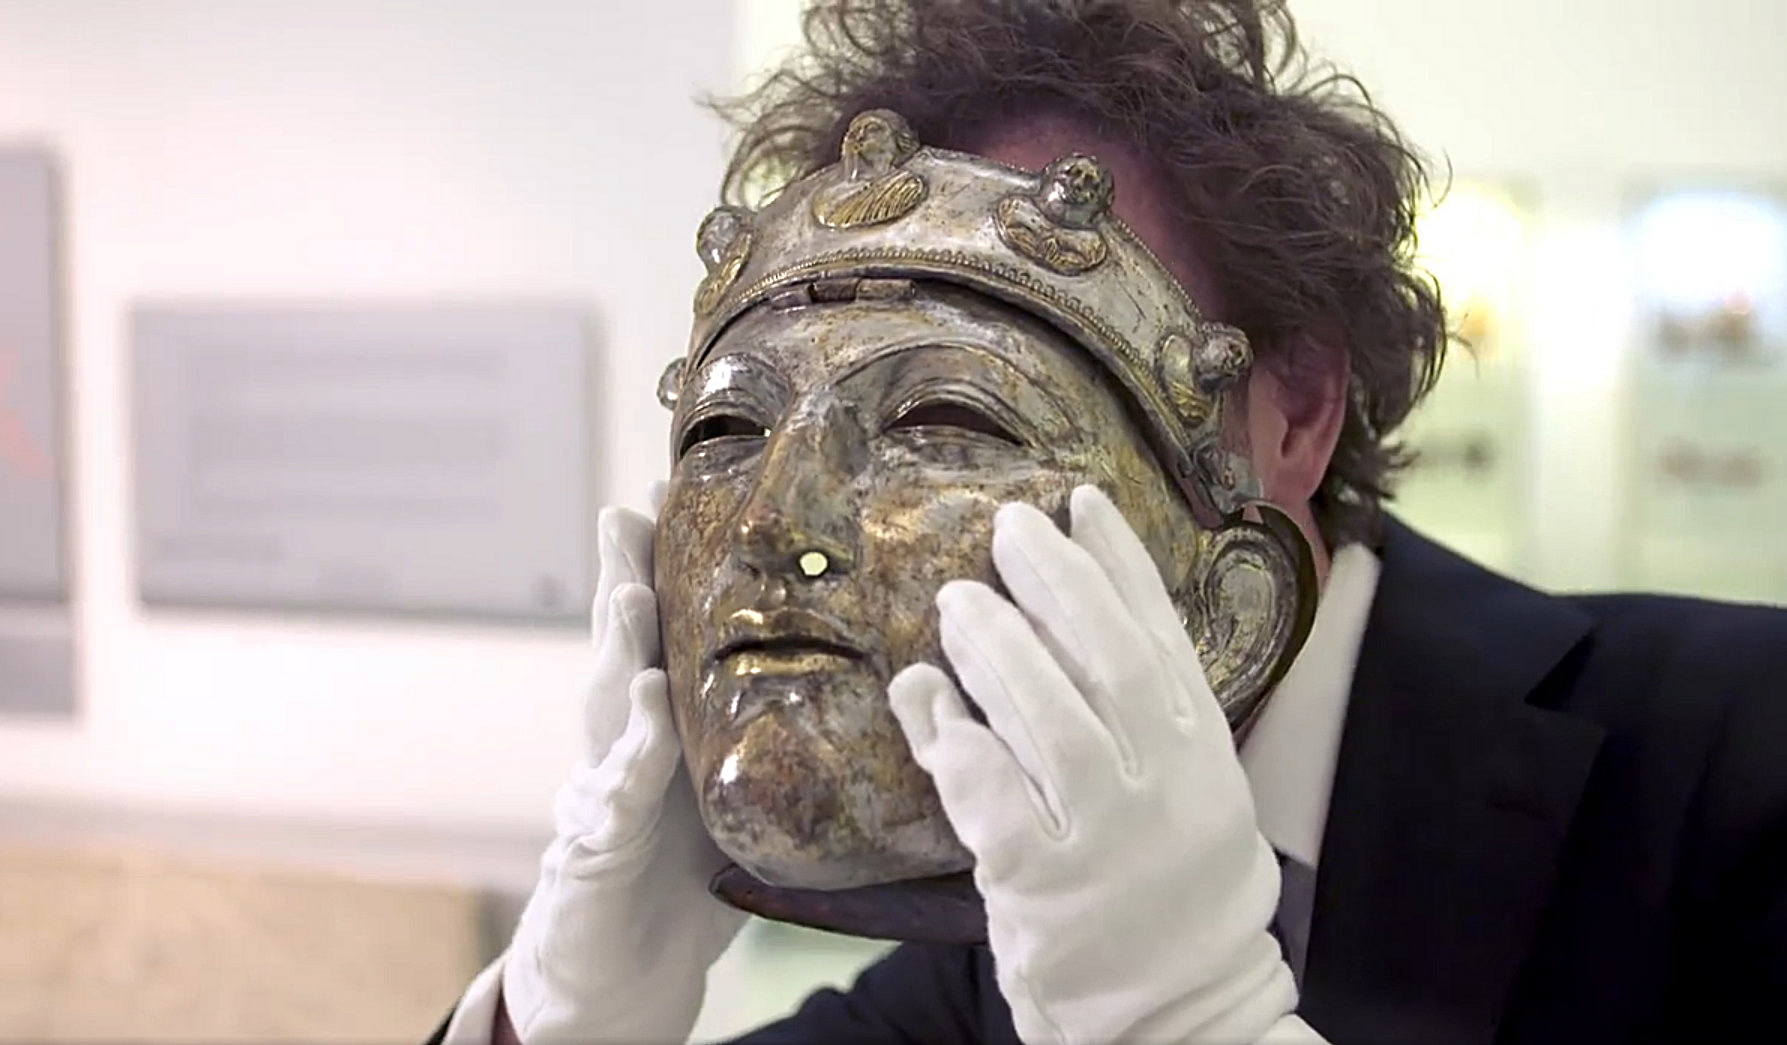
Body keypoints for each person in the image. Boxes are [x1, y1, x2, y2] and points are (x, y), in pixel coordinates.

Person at [429, 2, 1787, 1042]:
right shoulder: (999, 893)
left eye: (945, 414)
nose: (781, 528)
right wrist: (554, 1014)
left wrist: (1198, 1022)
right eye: (731, 428)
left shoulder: (1737, 757)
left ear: (1295, 411)